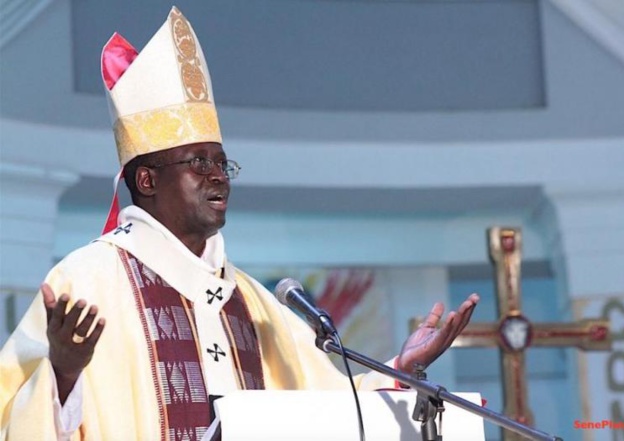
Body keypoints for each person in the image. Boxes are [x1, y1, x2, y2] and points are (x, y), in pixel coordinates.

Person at [0, 7, 479, 441]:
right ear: (146, 179)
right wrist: (62, 374)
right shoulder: (84, 282)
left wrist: (398, 368)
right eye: (197, 162)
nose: (217, 176)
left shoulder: (250, 301)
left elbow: (327, 408)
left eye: (221, 163)